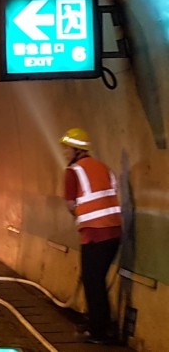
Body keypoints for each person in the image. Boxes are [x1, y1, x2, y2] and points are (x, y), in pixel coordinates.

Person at [60, 128, 122, 345]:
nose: (64, 152)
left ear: (77, 149)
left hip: (95, 234)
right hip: (114, 233)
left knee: (92, 281)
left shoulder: (73, 171)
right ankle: (101, 324)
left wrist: (79, 215)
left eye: (67, 148)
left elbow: (70, 205)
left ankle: (99, 332)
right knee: (97, 280)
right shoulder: (104, 168)